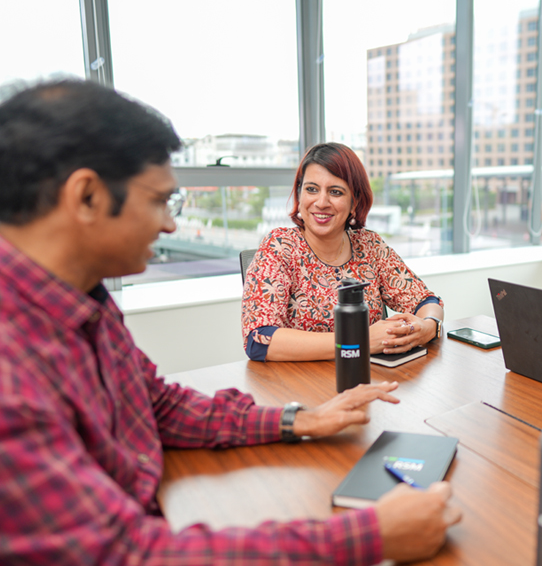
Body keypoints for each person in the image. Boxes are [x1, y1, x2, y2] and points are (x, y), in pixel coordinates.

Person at [0, 79, 461, 565]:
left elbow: (156, 405)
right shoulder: (12, 373)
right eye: (162, 201)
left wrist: (303, 419)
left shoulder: (81, 303)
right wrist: (367, 537)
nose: (170, 226)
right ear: (88, 197)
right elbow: (126, 554)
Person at [241, 142, 444, 361]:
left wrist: (429, 326)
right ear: (300, 196)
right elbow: (259, 340)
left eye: (335, 192)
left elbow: (426, 301)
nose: (321, 202)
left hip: (365, 379)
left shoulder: (369, 245)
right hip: (301, 385)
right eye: (311, 189)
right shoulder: (279, 246)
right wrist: (358, 340)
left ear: (354, 202)